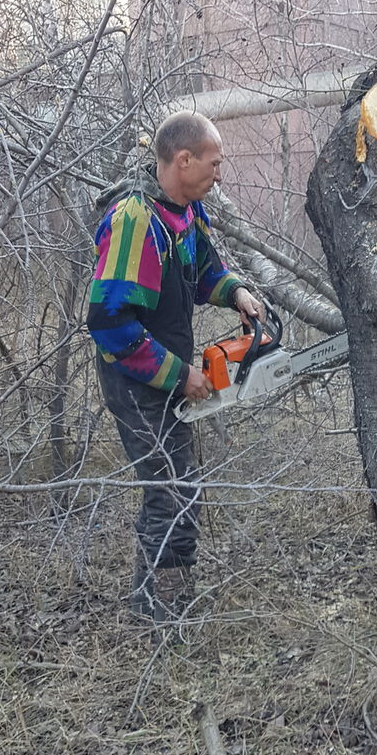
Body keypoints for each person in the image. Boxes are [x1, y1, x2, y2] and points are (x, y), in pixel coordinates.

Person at [87, 112, 264, 623]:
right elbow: (108, 321)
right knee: (168, 491)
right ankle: (155, 611)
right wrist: (178, 375)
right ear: (183, 160)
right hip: (133, 375)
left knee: (181, 486)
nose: (220, 172)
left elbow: (205, 270)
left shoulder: (184, 213)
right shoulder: (135, 222)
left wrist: (236, 292)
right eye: (214, 162)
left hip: (161, 367)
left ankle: (170, 594)